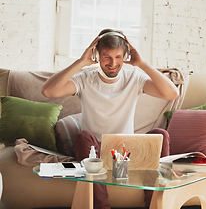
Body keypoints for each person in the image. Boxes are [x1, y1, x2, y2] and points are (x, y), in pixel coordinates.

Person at [41, 29, 179, 209]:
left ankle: (155, 205)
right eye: (107, 57)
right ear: (96, 55)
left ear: (125, 56)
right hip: (94, 152)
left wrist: (142, 64)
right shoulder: (85, 79)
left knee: (161, 135)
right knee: (82, 136)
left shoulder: (134, 78)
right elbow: (48, 91)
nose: (113, 63)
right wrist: (81, 62)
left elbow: (172, 93)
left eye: (118, 57)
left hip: (125, 152)